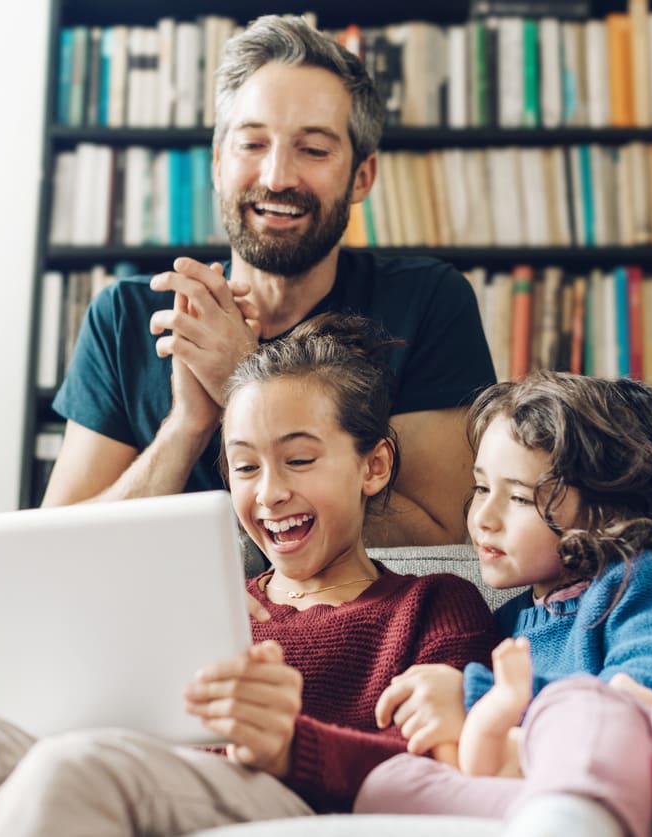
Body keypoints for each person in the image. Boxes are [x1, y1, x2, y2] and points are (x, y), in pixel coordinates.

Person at [0, 313, 495, 836]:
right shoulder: (202, 595)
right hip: (136, 773)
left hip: (283, 798)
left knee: (80, 766)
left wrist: (293, 744)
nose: (269, 494)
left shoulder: (434, 604)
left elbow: (447, 774)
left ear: (373, 466)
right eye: (245, 466)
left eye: (298, 460)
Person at [41, 14, 495, 547]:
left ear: (362, 176)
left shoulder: (427, 302)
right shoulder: (125, 315)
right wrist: (187, 426)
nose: (278, 177)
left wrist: (245, 388)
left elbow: (443, 537)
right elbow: (57, 546)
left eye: (315, 150)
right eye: (252, 144)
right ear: (217, 163)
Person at [354, 372, 652, 837]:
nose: (484, 518)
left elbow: (648, 697)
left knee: (596, 710)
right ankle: (557, 814)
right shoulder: (504, 624)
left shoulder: (639, 582)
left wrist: (476, 699)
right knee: (389, 781)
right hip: (584, 785)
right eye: (481, 488)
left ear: (610, 511)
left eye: (519, 498)